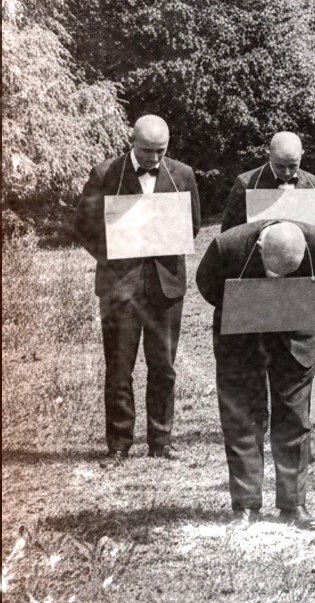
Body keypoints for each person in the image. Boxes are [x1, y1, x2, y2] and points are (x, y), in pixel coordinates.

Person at [74, 115, 201, 463]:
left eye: (161, 151)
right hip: (119, 287)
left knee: (164, 367)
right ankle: (118, 444)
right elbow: (83, 227)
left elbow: (192, 224)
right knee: (119, 368)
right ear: (132, 142)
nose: (155, 159)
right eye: (147, 151)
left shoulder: (183, 175)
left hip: (166, 286)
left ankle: (161, 441)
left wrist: (163, 240)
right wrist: (116, 248)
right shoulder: (105, 174)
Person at [196, 219, 315, 530]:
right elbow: (207, 285)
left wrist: (281, 304)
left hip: (294, 332)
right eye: (274, 273)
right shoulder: (227, 247)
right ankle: (246, 506)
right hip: (241, 332)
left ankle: (293, 505)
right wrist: (252, 305)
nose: (278, 281)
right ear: (259, 247)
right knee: (242, 417)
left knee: (295, 418)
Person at [221, 132, 315, 231]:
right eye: (279, 166)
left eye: (293, 166)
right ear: (269, 154)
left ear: (301, 155)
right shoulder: (246, 184)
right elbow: (229, 234)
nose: (286, 172)